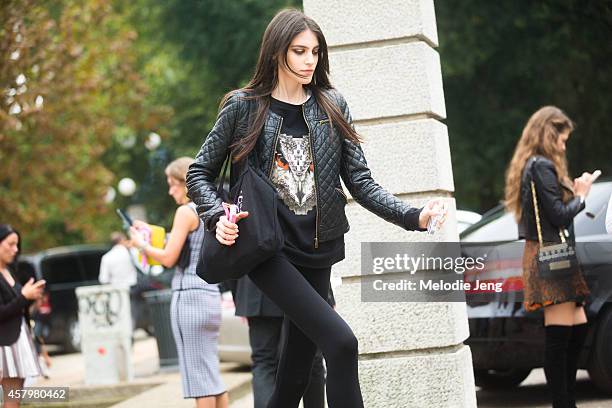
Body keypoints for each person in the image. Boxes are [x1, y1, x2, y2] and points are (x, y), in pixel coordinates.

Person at [186, 9, 446, 408]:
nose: (310, 60)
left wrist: (414, 216)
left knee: (294, 375)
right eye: (300, 51)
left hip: (319, 250)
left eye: (315, 52)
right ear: (277, 53)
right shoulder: (244, 107)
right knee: (342, 343)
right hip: (269, 249)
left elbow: (361, 182)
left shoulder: (331, 105)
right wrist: (216, 214)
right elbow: (198, 172)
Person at [504, 106, 596, 408]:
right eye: (562, 138)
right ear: (549, 133)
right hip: (550, 256)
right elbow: (557, 215)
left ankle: (566, 398)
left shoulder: (535, 165)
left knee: (579, 326)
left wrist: (575, 188)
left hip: (552, 255)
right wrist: (581, 196)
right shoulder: (541, 166)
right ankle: (563, 402)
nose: (563, 145)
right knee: (558, 340)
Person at [129, 157, 228, 408]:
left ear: (186, 182)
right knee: (212, 373)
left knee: (198, 379)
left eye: (173, 184)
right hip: (210, 293)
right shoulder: (213, 208)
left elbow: (169, 257)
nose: (170, 190)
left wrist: (142, 245)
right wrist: (150, 232)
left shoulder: (185, 212)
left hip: (189, 295)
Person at [229, 275, 330, 408]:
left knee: (264, 363)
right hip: (299, 289)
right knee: (311, 358)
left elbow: (230, 257)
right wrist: (327, 295)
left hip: (255, 291)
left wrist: (239, 296)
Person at [0, 225, 46, 408]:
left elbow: (16, 307)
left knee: (13, 401)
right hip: (3, 345)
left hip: (16, 342)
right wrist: (23, 297)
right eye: (10, 244)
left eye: (17, 245)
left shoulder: (9, 271)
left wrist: (31, 298)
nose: (15, 250)